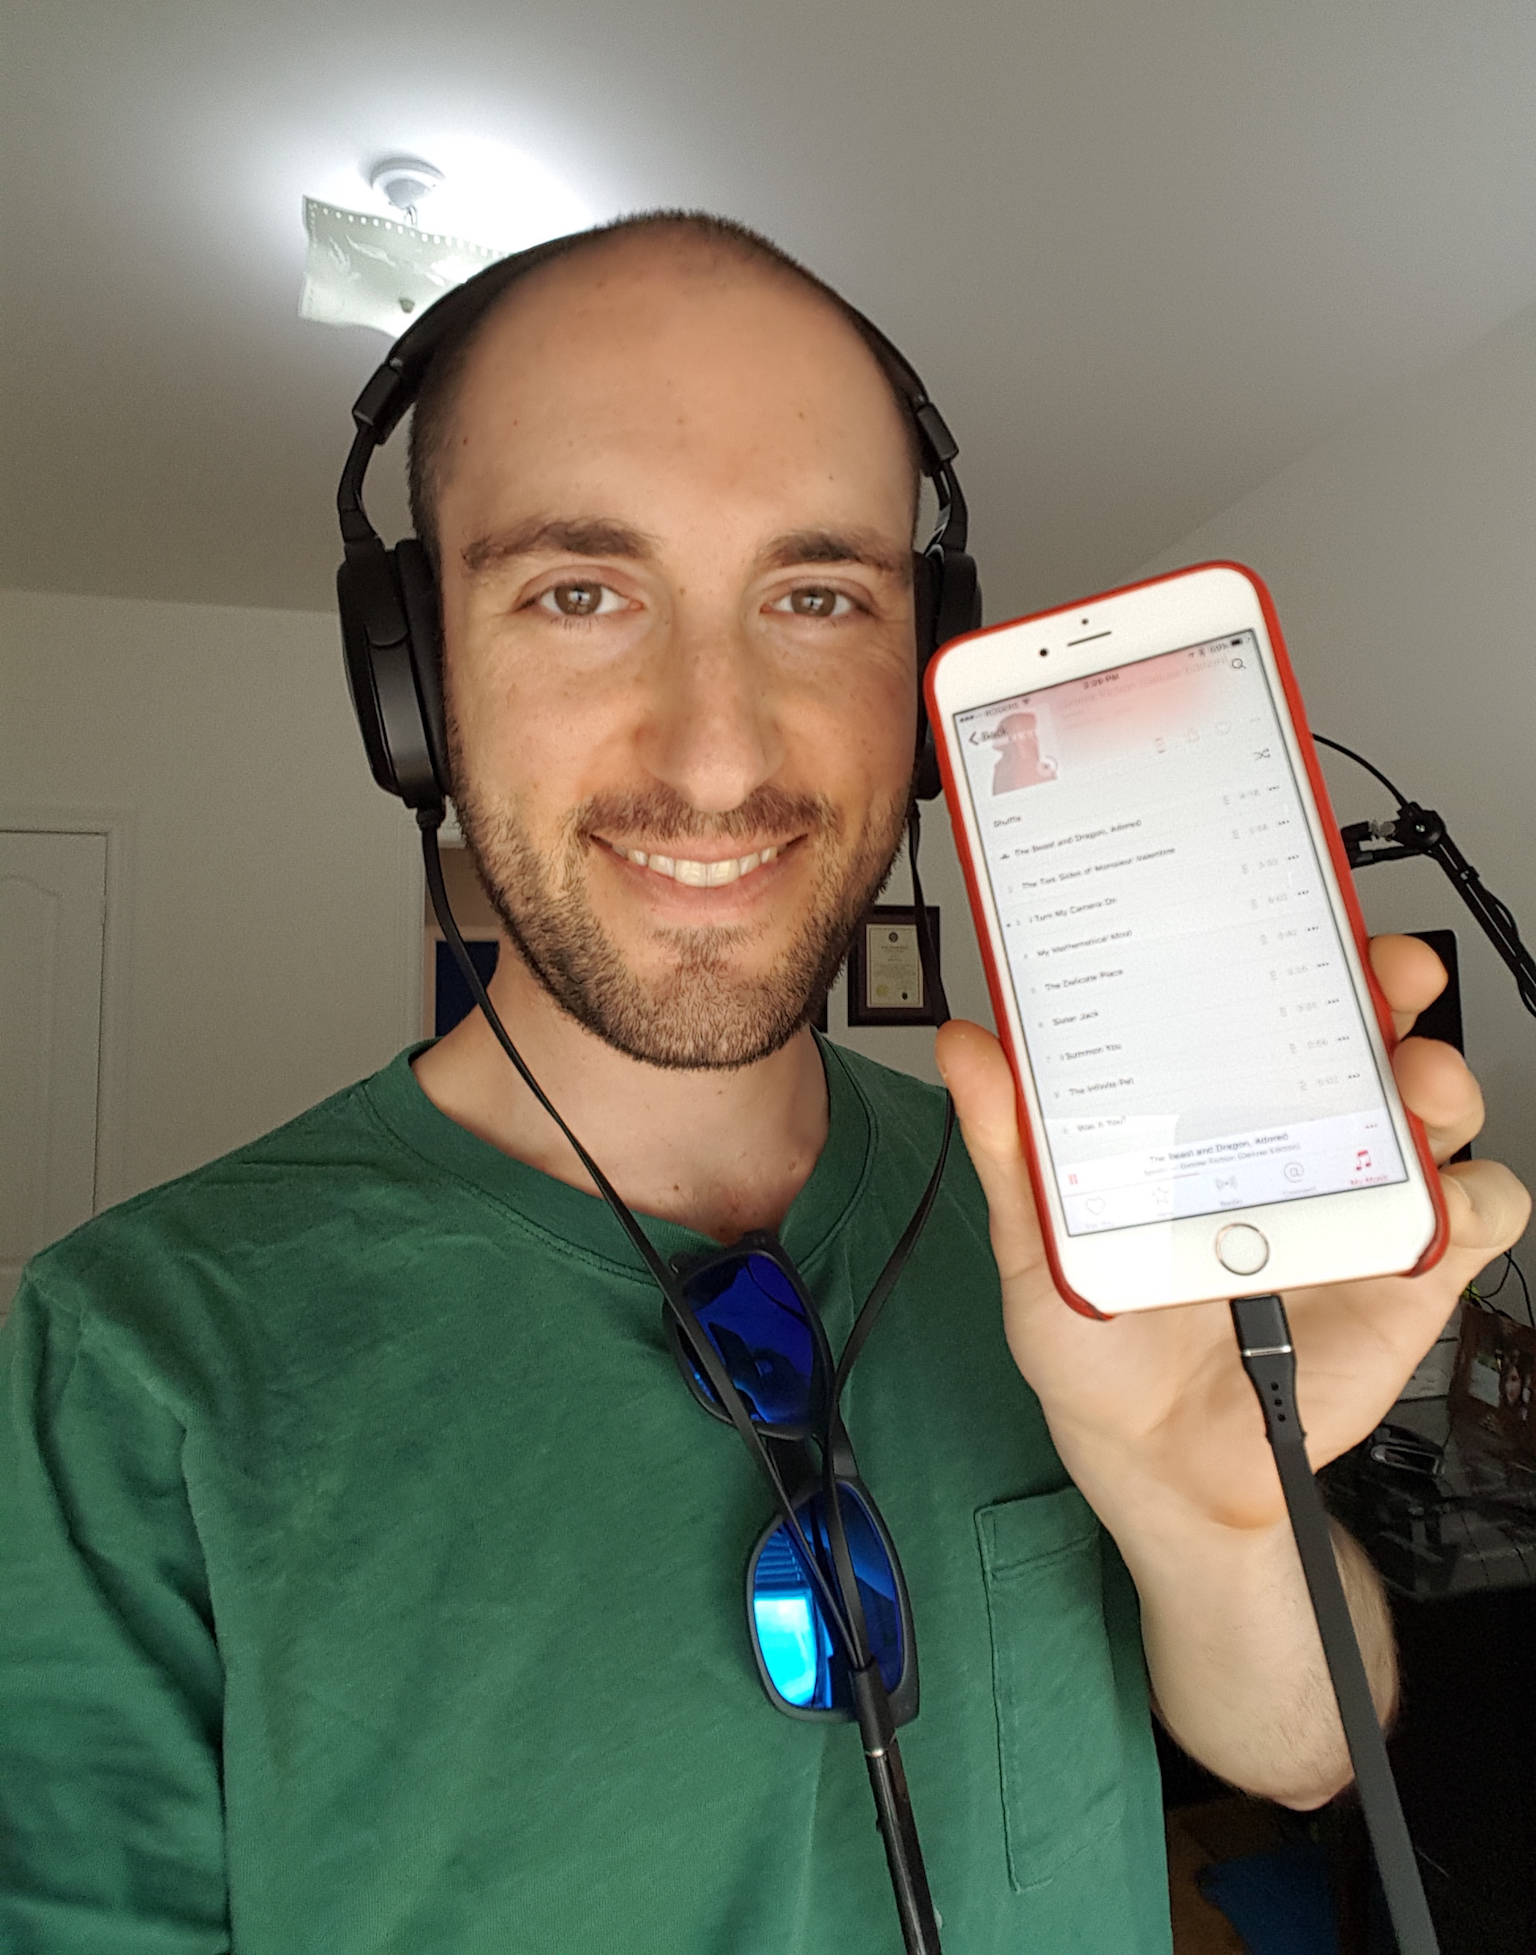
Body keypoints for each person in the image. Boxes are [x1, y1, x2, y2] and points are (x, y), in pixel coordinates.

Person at [0, 212, 1526, 1955]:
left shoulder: (1061, 1225)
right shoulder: (134, 1357)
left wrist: (1224, 1512)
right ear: (414, 683)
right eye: (580, 593)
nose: (717, 755)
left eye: (817, 597)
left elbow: (1304, 1755)